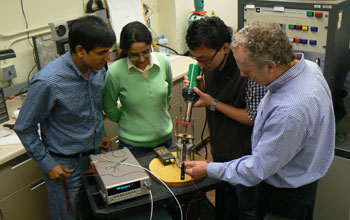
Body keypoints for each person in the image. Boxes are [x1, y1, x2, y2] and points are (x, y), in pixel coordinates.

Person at [184, 20, 335, 220]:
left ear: (271, 66)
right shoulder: (307, 68)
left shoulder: (289, 111)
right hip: (295, 177)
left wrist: (208, 168)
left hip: (285, 195)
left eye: (247, 70)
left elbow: (257, 168)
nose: (242, 74)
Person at [14, 15, 116, 220]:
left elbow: (94, 106)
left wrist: (101, 133)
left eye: (109, 51)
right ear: (80, 50)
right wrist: (48, 164)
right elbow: (24, 127)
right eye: (102, 53)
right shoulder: (48, 82)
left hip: (95, 157)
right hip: (66, 167)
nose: (108, 58)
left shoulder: (97, 70)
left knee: (96, 213)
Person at [184, 17, 266, 220]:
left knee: (245, 208)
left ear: (225, 47)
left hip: (245, 155)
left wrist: (212, 102)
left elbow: (253, 117)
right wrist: (203, 90)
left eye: (204, 59)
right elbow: (215, 94)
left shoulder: (247, 71)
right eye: (197, 59)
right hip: (220, 148)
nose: (201, 63)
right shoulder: (209, 64)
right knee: (224, 205)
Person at [103, 21, 173, 156]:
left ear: (150, 46)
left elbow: (168, 95)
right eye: (134, 54)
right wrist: (130, 121)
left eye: (146, 52)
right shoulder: (115, 72)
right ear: (125, 51)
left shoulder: (163, 62)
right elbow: (109, 107)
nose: (141, 59)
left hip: (165, 140)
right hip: (133, 146)